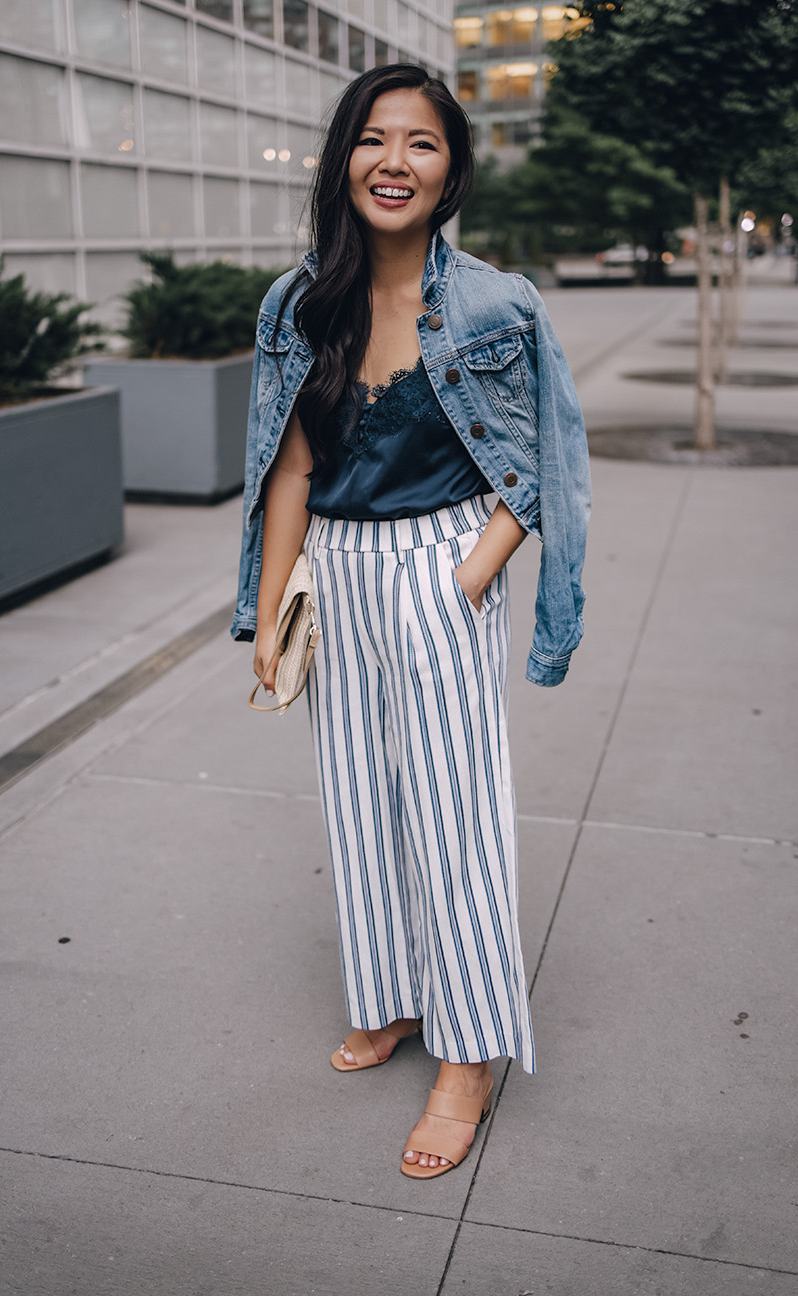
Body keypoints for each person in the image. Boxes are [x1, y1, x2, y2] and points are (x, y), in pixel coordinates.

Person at [232, 63, 590, 1179]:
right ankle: (389, 996)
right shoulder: (297, 304)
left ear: (452, 168)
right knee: (359, 806)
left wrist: (469, 577)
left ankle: (470, 1053)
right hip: (335, 574)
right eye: (373, 139)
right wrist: (269, 609)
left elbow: (546, 462)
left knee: (455, 817)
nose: (395, 162)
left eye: (422, 142)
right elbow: (290, 467)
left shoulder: (496, 303)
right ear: (342, 158)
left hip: (440, 565)